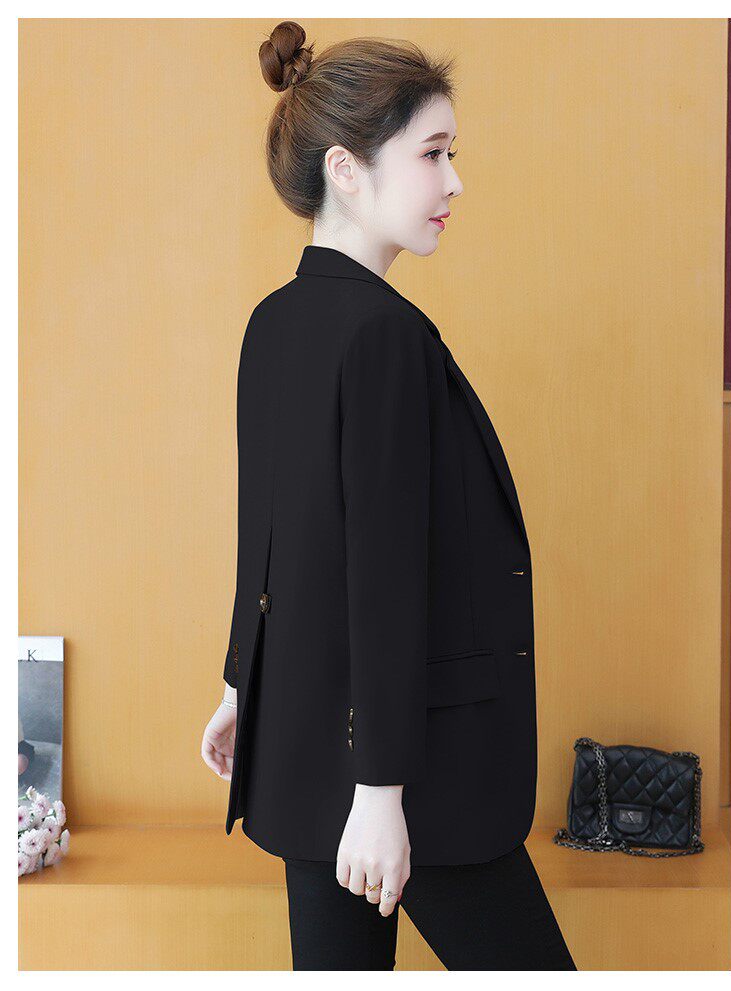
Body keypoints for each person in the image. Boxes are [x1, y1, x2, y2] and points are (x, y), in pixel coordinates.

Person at [201, 20, 576, 971]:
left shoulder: (273, 323)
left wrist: (245, 681)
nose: (455, 183)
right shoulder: (385, 336)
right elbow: (381, 571)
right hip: (411, 779)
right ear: (347, 169)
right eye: (433, 154)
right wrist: (381, 791)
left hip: (313, 747)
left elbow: (276, 536)